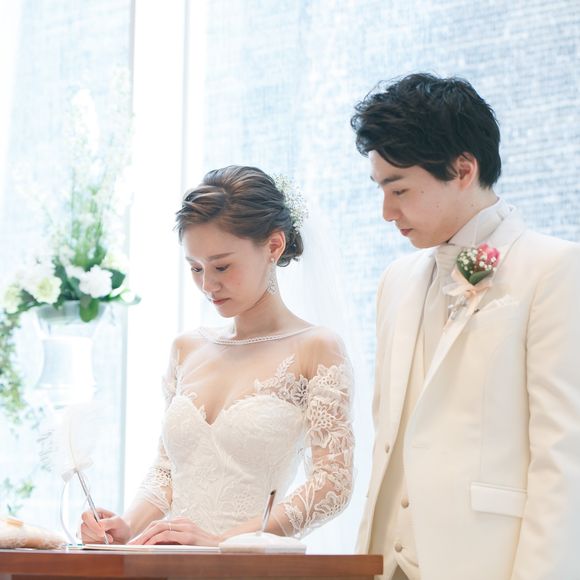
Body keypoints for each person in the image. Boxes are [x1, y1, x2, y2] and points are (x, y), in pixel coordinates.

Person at [352, 73, 580, 580]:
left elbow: (563, 459)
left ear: (462, 169)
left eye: (399, 189)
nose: (387, 212)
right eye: (380, 189)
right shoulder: (396, 280)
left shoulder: (554, 269)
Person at [80, 165, 354, 546]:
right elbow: (168, 470)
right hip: (170, 562)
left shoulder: (316, 347)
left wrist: (223, 542)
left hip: (248, 564)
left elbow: (332, 483)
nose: (208, 285)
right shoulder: (186, 348)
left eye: (222, 266)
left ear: (274, 246)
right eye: (196, 268)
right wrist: (127, 525)